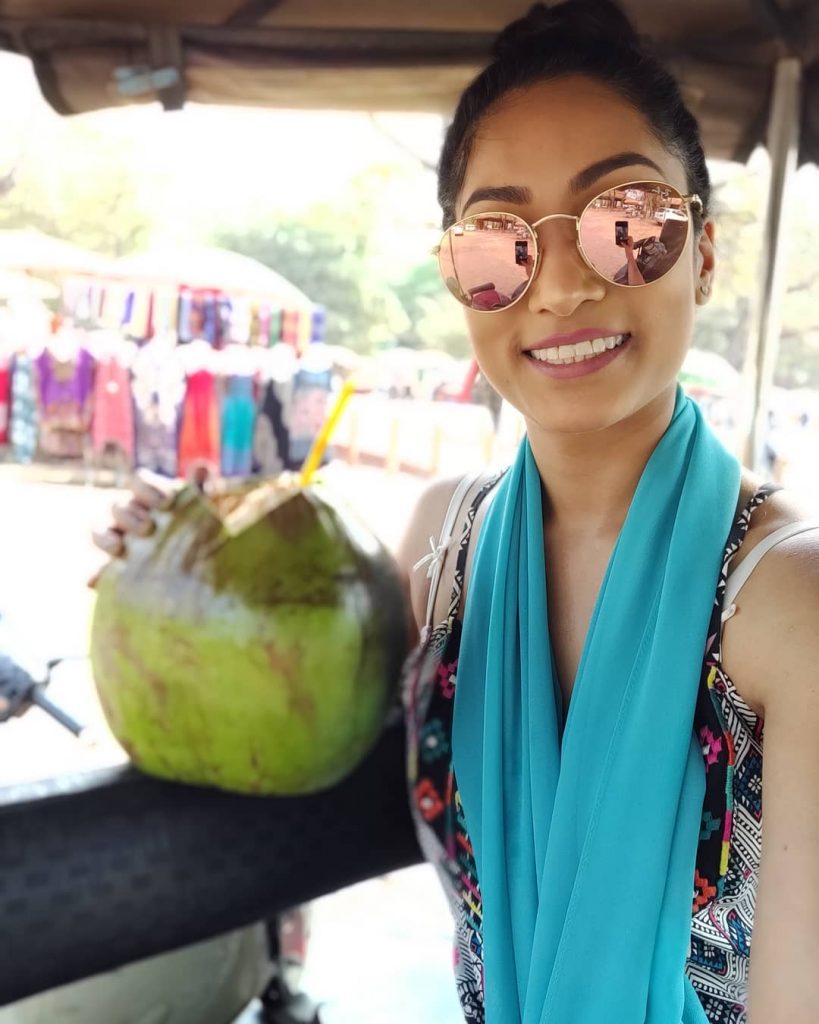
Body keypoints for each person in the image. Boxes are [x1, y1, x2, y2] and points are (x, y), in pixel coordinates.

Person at [93, 3, 819, 1021]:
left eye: (627, 221)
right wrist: (177, 567)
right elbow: (289, 722)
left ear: (702, 251)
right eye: (499, 242)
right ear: (457, 275)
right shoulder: (443, 550)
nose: (561, 283)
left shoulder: (793, 604)